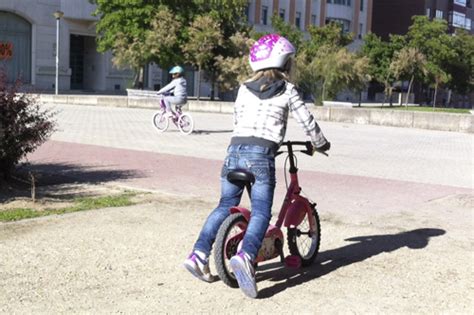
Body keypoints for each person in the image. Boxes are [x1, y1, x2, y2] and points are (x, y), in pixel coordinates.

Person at [183, 34, 330, 298]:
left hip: (233, 152)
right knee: (261, 212)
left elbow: (237, 118)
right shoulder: (287, 89)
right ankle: (247, 256)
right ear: (284, 62)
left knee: (223, 205)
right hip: (261, 156)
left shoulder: (242, 88)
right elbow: (308, 122)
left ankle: (198, 254)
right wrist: (321, 143)